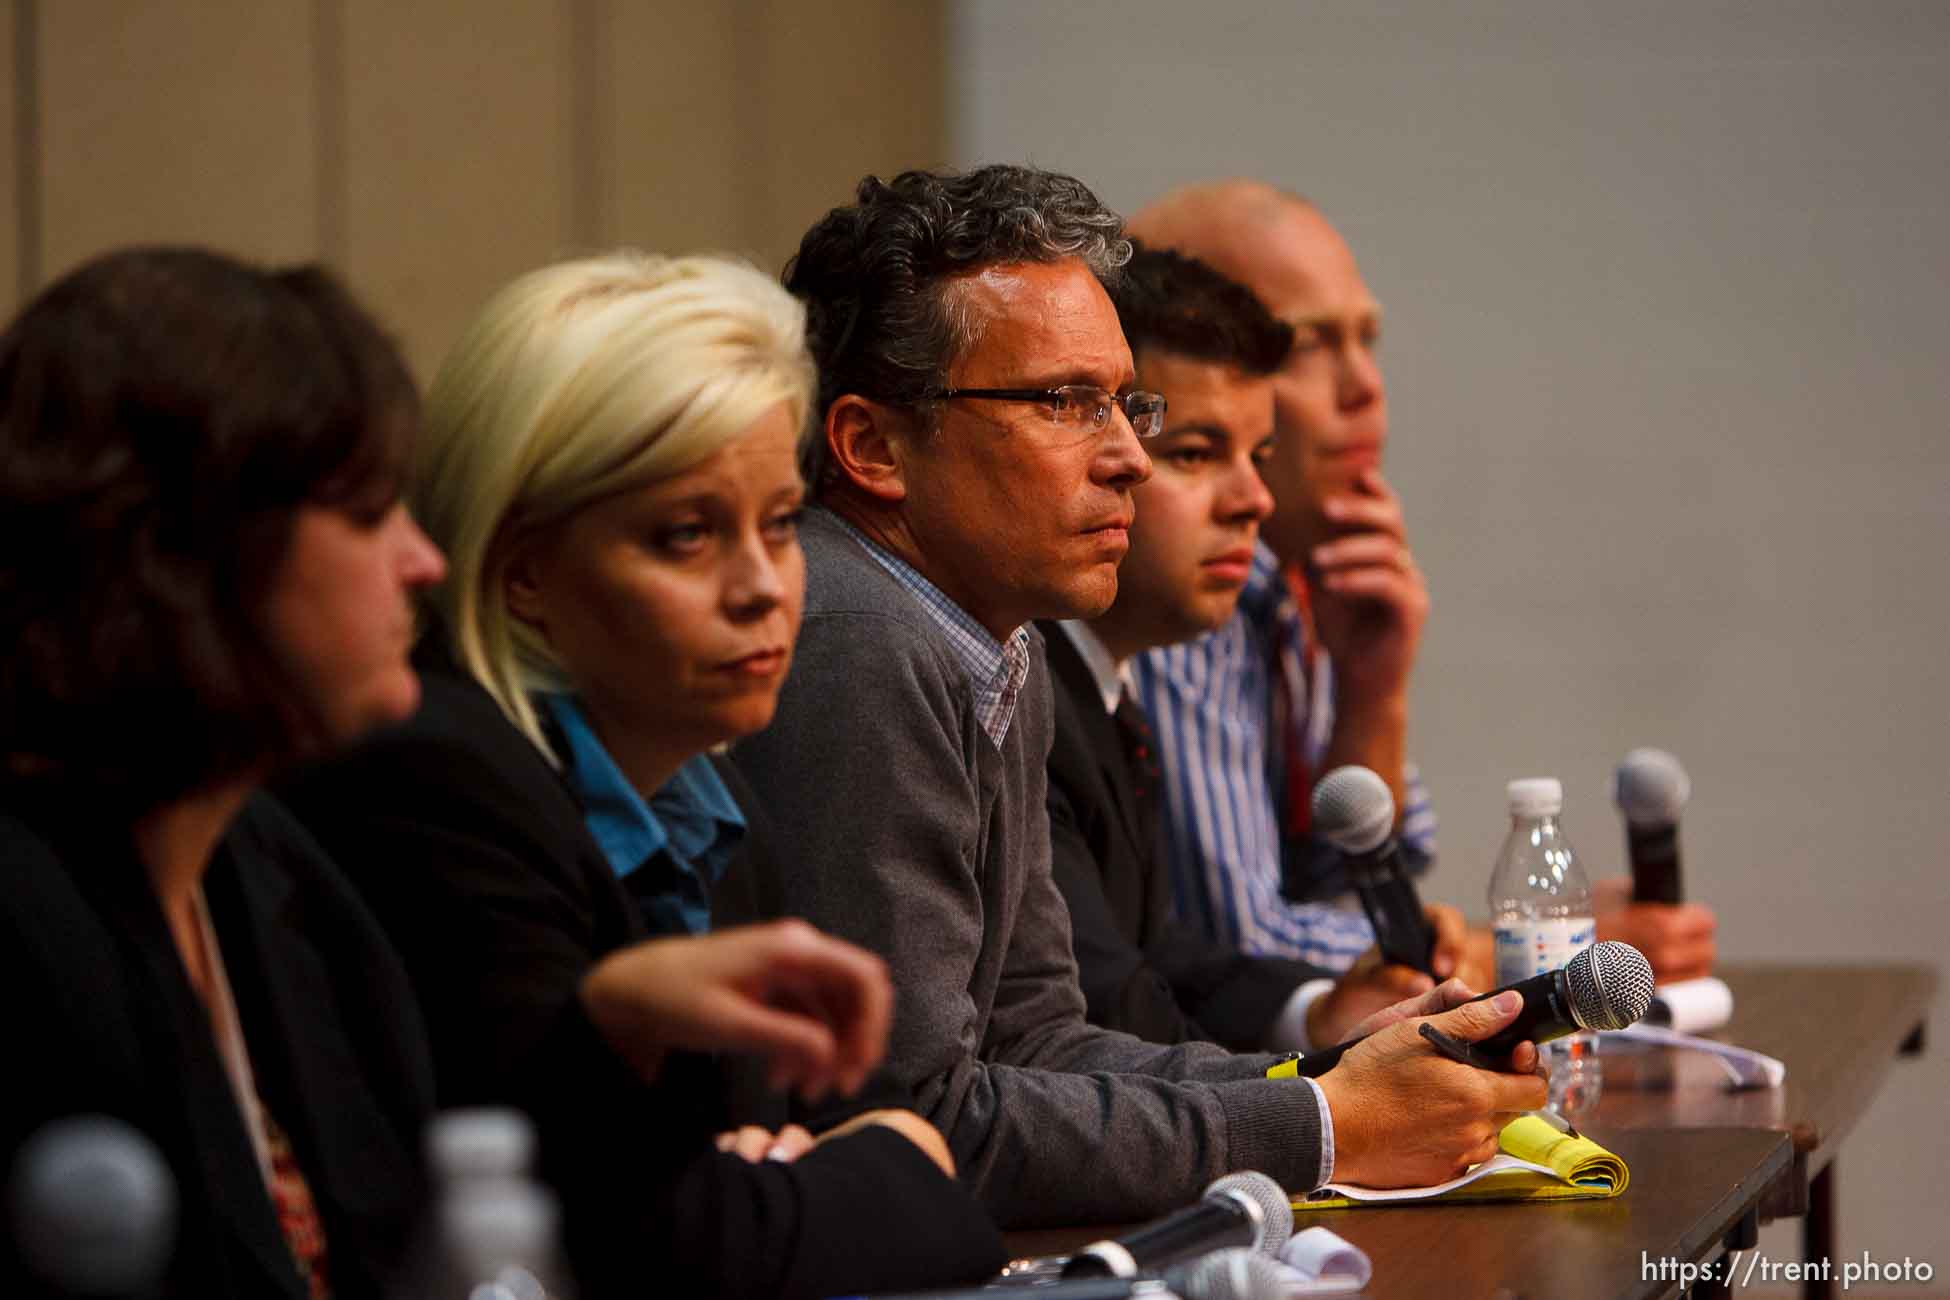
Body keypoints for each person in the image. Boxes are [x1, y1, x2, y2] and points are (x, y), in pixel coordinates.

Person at [732, 164, 1548, 1229]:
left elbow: (1036, 1042)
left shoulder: (989, 637)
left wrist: (1339, 1073)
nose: (1130, 459)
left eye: (1127, 404)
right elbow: (916, 1122)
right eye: (1067, 403)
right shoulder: (856, 637)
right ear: (873, 445)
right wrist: (1328, 1126)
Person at [277, 251, 1005, 1298]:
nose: (762, 588)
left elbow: (755, 1186)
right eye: (685, 536)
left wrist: (798, 1186)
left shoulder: (717, 811)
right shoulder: (437, 785)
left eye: (781, 523)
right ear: (522, 572)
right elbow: (672, 1249)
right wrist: (903, 1155)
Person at [1130, 180, 1718, 980]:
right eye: (1306, 346)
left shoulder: (1302, 581)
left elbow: (1355, 891)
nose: (1365, 386)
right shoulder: (1159, 597)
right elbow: (1244, 951)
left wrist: (1374, 692)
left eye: (1367, 338)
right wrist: (1536, 944)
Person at [0, 248, 447, 1298]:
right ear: (195, 549)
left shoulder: (274, 862)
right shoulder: (20, 929)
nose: (423, 560)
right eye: (372, 511)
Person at [1047, 243, 1470, 1053]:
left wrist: (1319, 1014)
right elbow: (1104, 1009)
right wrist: (1318, 1096)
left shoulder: (1107, 680)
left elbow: (1164, 957)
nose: (1254, 502)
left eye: (1259, 457)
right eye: (1196, 454)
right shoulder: (1026, 682)